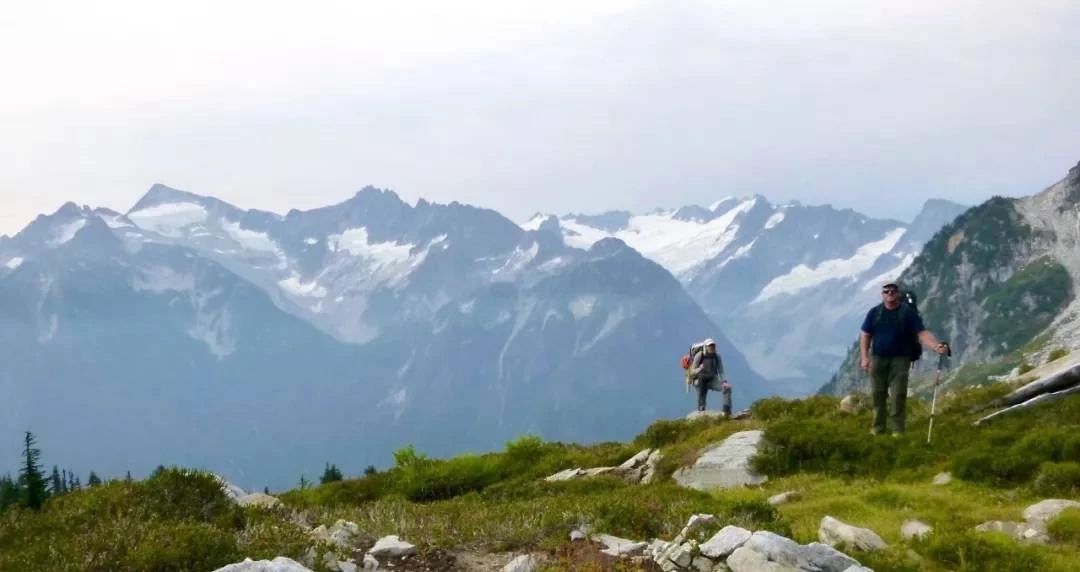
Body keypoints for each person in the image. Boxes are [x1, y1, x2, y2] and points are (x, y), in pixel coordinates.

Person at [860, 282, 948, 436]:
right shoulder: (874, 313)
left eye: (892, 291)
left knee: (898, 394)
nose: (889, 294)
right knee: (877, 394)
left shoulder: (907, 313)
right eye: (886, 291)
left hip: (900, 359)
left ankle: (897, 430)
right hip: (878, 358)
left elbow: (921, 333)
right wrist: (864, 357)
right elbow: (866, 335)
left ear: (897, 293)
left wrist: (935, 346)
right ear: (882, 294)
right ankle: (877, 428)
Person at [690, 338, 732, 415]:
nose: (712, 347)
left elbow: (720, 370)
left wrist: (724, 382)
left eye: (713, 345)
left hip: (712, 379)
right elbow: (692, 372)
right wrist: (699, 368)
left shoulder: (717, 356)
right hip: (700, 380)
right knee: (702, 397)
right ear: (705, 347)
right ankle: (701, 413)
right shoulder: (699, 355)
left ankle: (726, 411)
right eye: (710, 345)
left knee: (727, 388)